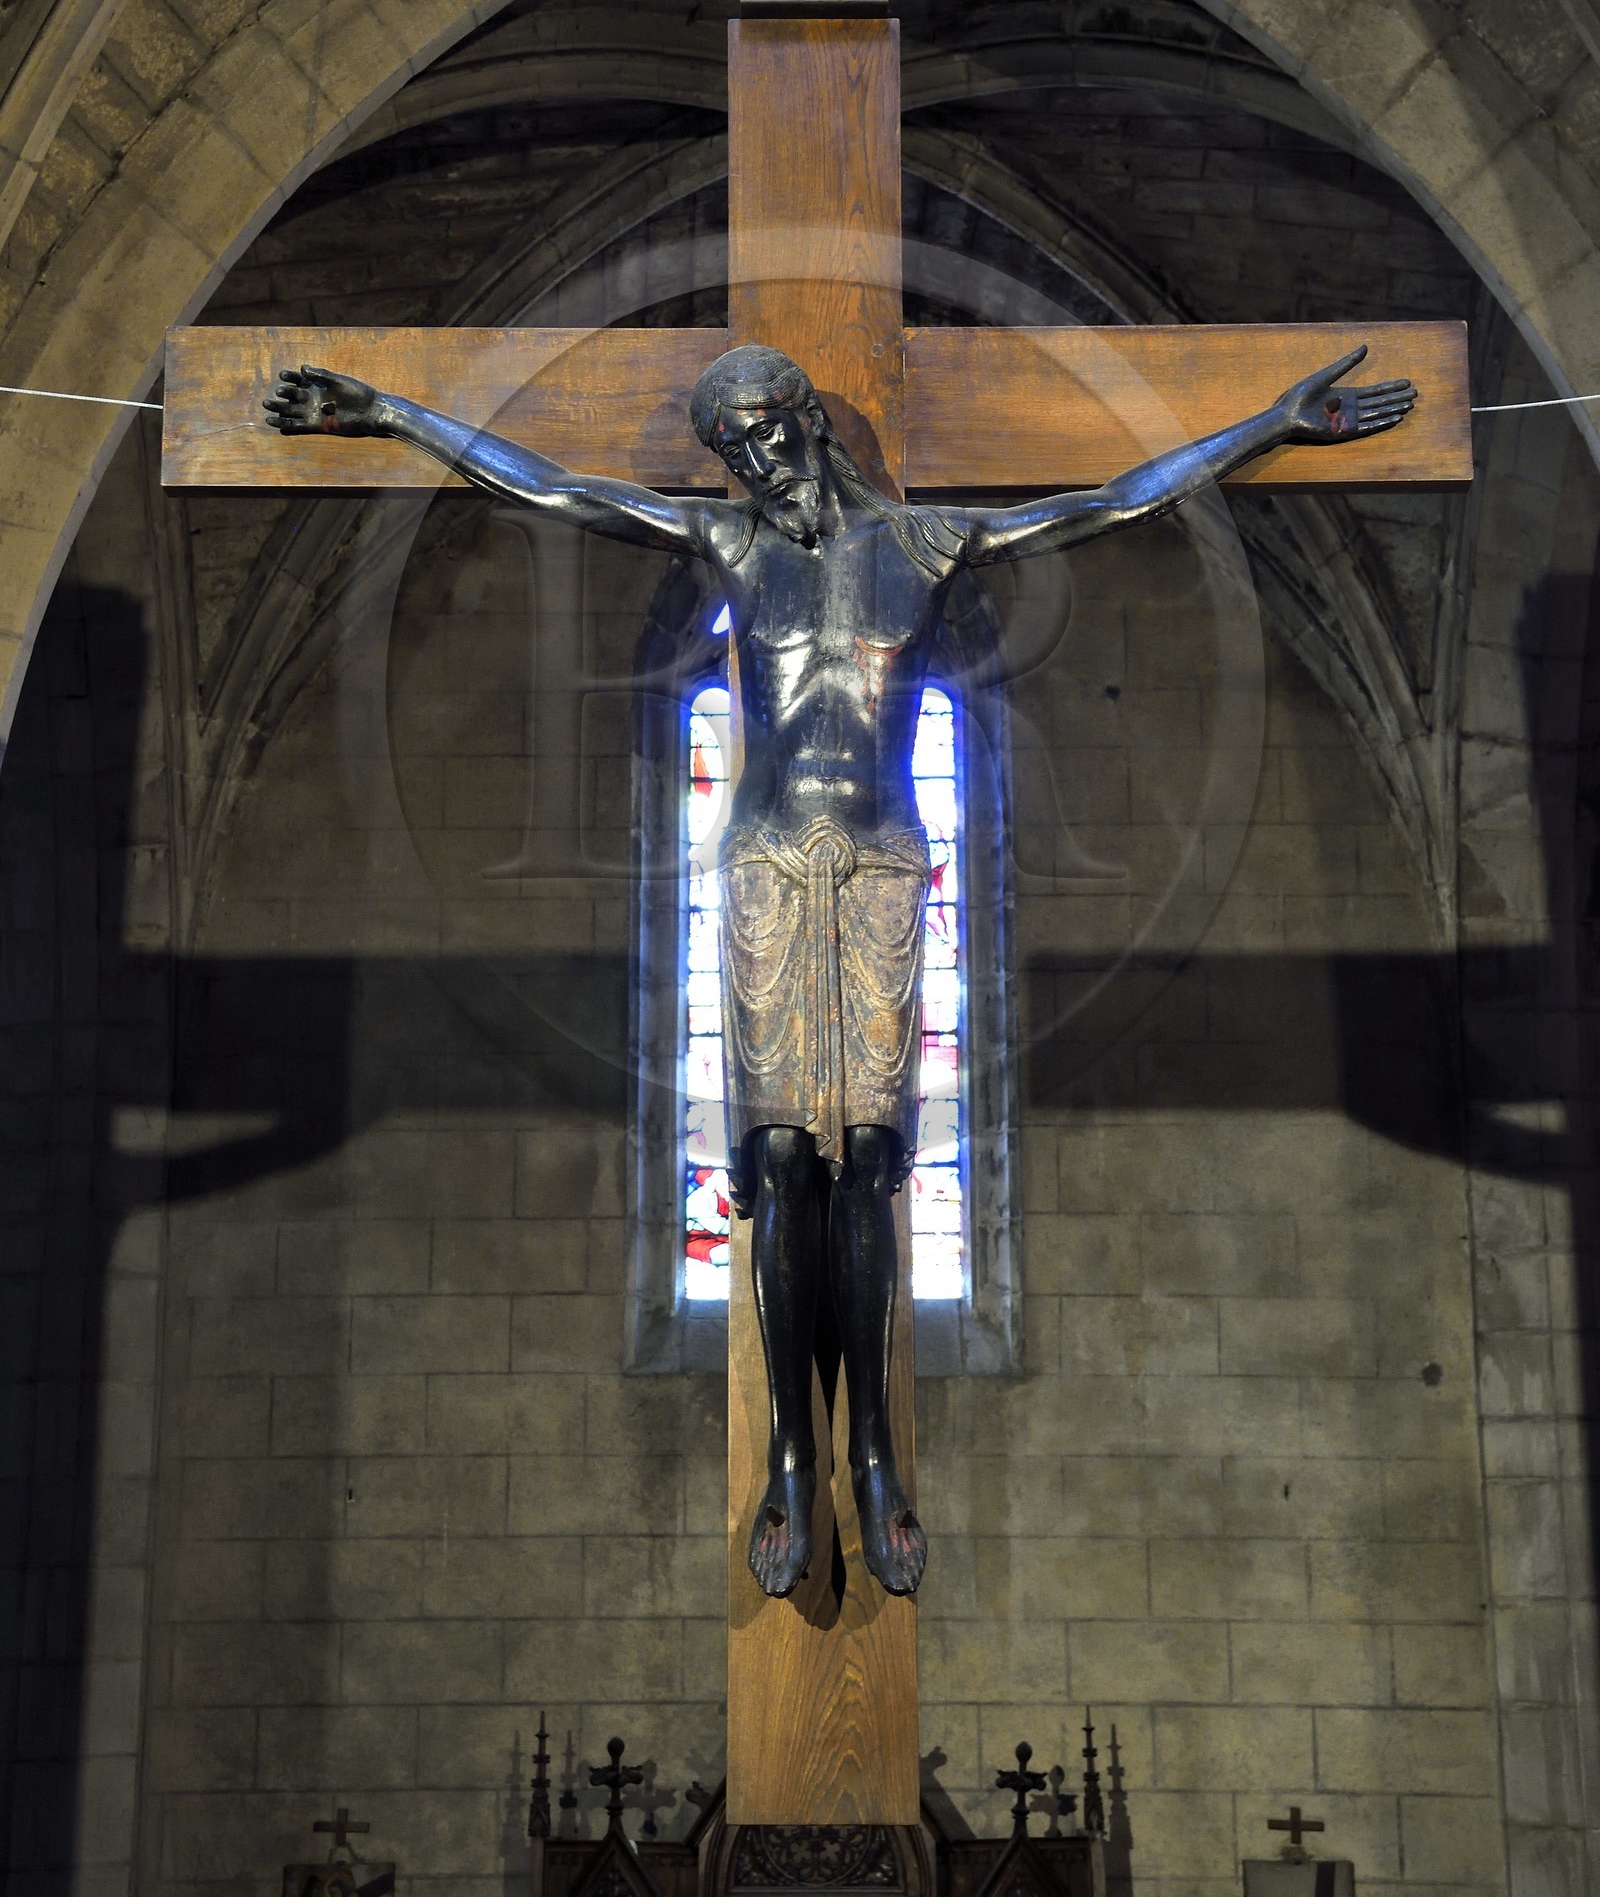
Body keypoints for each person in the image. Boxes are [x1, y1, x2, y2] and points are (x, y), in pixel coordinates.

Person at [266, 339, 1416, 1597]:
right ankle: (787, 1454)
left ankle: (872, 1451)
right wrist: (392, 414)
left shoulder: (922, 547)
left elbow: (1113, 499)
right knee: (771, 1159)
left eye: (764, 433)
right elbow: (554, 489)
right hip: (764, 862)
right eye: (730, 451)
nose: (752, 464)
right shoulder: (727, 548)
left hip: (877, 864)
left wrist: (1267, 426)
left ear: (804, 417)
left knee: (866, 1158)